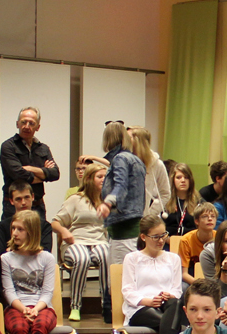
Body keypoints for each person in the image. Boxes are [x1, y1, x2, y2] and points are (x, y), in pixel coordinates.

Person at [0, 209, 60, 334]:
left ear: (32, 232)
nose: (15, 233)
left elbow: (47, 292)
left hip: (43, 307)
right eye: (13, 228)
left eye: (20, 229)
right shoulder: (6, 258)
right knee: (19, 329)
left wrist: (36, 309)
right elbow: (9, 292)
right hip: (16, 307)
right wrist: (23, 309)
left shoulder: (46, 258)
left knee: (40, 326)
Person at [53, 161, 111, 322]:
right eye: (99, 176)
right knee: (82, 258)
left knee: (107, 255)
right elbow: (55, 223)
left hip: (99, 241)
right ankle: (75, 305)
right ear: (89, 179)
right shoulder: (75, 199)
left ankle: (106, 304)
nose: (103, 180)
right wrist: (64, 231)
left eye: (105, 177)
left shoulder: (107, 201)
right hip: (75, 241)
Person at [121, 215, 182, 334]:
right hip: (141, 308)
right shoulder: (132, 258)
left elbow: (177, 289)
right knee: (172, 324)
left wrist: (169, 295)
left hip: (167, 306)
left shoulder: (173, 258)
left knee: (175, 304)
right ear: (143, 237)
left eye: (163, 235)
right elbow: (128, 291)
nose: (161, 240)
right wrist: (148, 301)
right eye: (155, 237)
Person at [98, 122, 148, 267]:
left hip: (123, 228)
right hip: (134, 225)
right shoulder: (137, 160)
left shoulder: (120, 159)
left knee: (119, 274)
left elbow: (121, 184)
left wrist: (108, 203)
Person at [0, 106, 59, 215]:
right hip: (13, 206)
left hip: (38, 205)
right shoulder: (8, 146)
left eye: (31, 123)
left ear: (38, 127)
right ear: (17, 124)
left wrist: (30, 169)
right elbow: (18, 175)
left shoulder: (43, 148)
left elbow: (55, 174)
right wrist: (44, 174)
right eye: (23, 122)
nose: (26, 126)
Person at [127, 126, 170, 221]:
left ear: (137, 141)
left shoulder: (157, 164)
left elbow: (165, 193)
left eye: (128, 137)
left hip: (143, 221)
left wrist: (149, 213)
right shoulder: (124, 161)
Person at [178, 201, 217, 282]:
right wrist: (199, 285)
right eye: (205, 216)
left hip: (214, 279)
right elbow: (184, 274)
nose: (210, 219)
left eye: (213, 216)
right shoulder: (186, 240)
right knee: (183, 287)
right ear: (197, 221)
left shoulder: (220, 238)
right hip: (193, 280)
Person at [0, 181, 35, 254]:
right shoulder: (2, 227)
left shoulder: (45, 226)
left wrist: (14, 250)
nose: (23, 202)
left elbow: (44, 252)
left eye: (26, 197)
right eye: (18, 199)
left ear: (32, 197)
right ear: (11, 201)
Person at [164, 162, 200, 237]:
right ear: (173, 180)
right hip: (168, 241)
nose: (183, 180)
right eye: (178, 177)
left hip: (190, 240)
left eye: (186, 177)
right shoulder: (165, 201)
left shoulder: (198, 202)